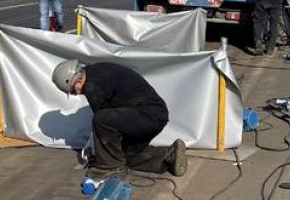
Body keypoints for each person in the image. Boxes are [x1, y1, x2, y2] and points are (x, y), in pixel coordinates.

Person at [51, 59, 188, 177]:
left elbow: (102, 121)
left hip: (148, 115)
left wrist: (101, 157)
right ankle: (168, 157)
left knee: (101, 120)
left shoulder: (93, 86)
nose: (76, 94)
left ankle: (110, 168)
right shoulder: (95, 71)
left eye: (73, 91)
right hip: (154, 115)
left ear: (78, 79)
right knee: (124, 155)